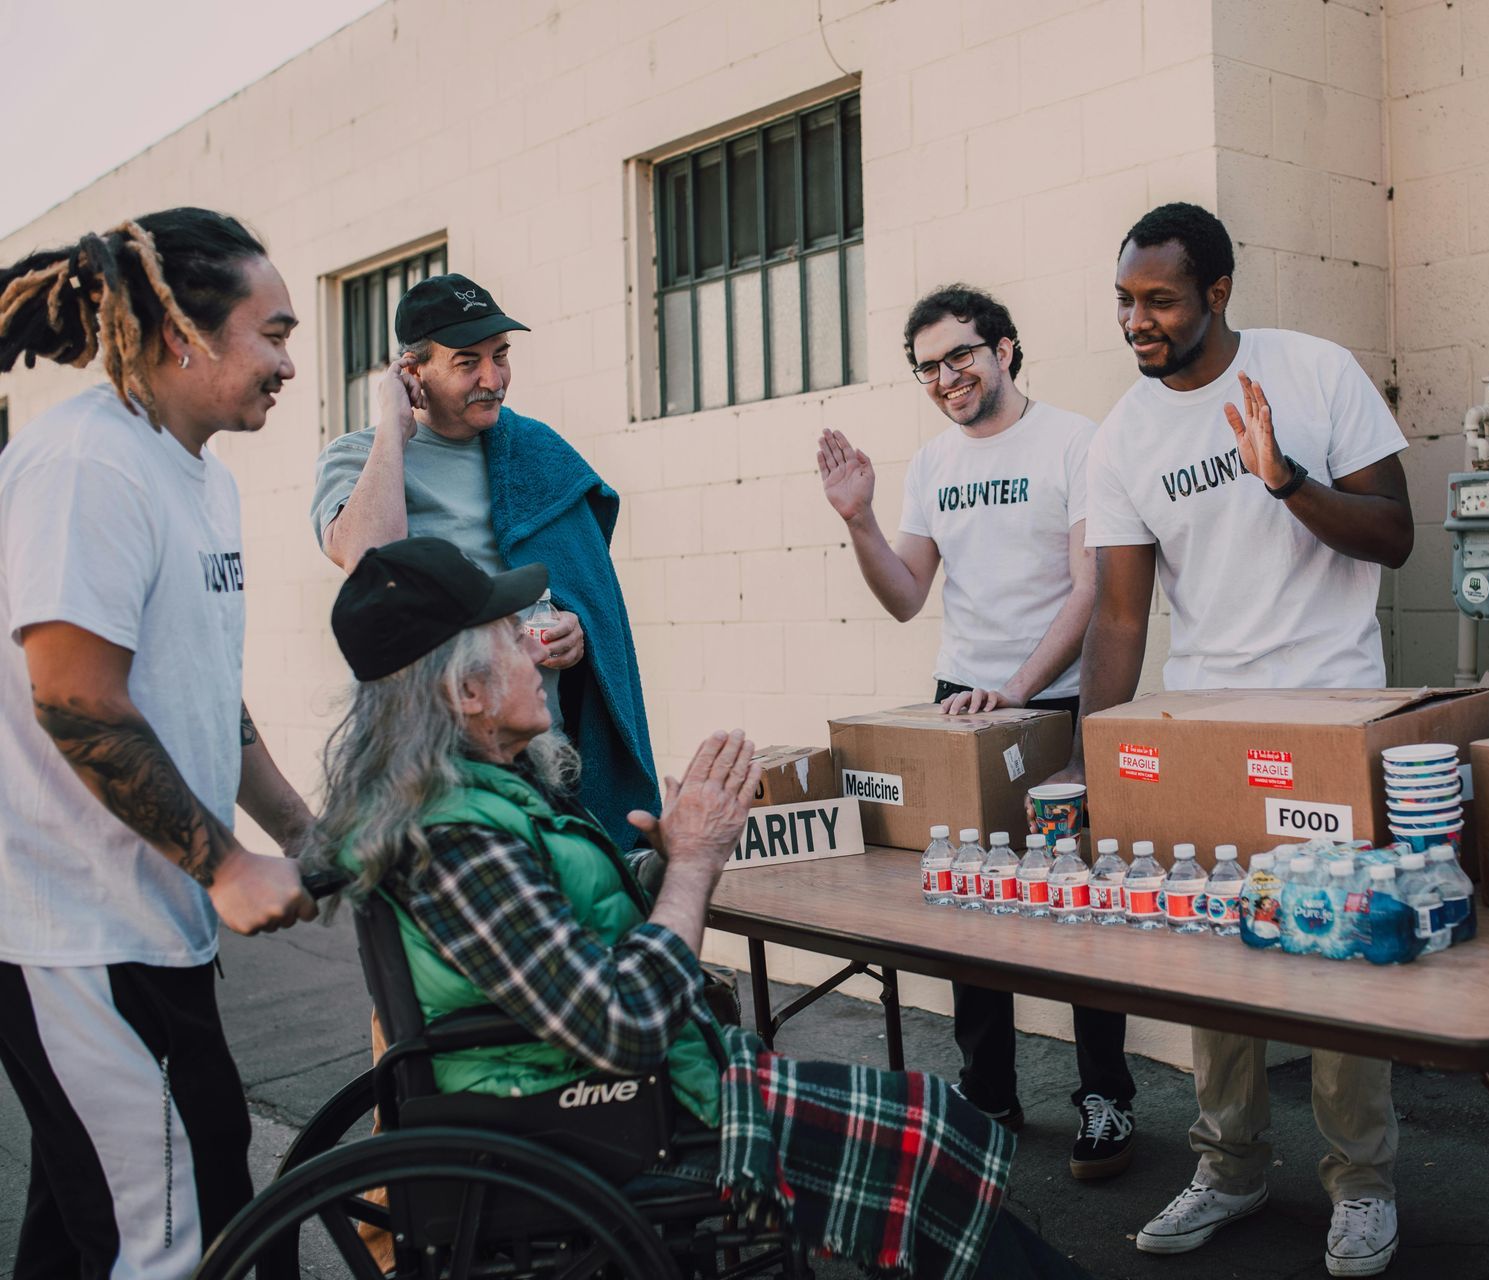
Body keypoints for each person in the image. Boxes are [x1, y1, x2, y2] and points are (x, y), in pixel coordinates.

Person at [303, 535, 1088, 1279]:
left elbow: (574, 923)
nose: (538, 645)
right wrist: (696, 866)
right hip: (596, 1123)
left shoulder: (481, 800)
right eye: (513, 635)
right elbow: (621, 1024)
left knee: (929, 1124)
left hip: (609, 1096)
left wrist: (670, 853)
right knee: (917, 1139)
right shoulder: (456, 841)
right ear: (465, 691)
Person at [1044, 202, 1415, 1274]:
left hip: (1331, 712)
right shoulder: (1124, 435)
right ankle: (1231, 1166)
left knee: (1339, 962)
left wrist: (1283, 477)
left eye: (1159, 299)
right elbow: (1119, 617)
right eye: (1124, 300)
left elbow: (1392, 533)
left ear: (1217, 292)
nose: (1137, 321)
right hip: (1204, 722)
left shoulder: (1315, 372)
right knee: (1220, 960)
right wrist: (1092, 758)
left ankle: (1363, 1185)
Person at [0, 208, 317, 1280]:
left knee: (98, 1213)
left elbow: (204, 699)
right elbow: (76, 699)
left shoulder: (205, 481)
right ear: (183, 333)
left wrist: (300, 831)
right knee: (177, 1238)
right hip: (76, 933)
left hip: (154, 922)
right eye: (271, 333)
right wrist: (225, 861)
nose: (288, 362)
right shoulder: (87, 465)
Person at [815, 285, 1136, 1179]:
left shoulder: (1076, 439)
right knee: (970, 903)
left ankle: (1105, 1096)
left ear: (1002, 348)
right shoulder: (930, 464)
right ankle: (989, 1092)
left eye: (960, 354)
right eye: (927, 366)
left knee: (1077, 908)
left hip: (1055, 705)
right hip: (963, 704)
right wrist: (861, 520)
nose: (946, 376)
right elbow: (908, 594)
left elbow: (1091, 589)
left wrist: (1016, 692)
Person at [310, 273, 660, 836]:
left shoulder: (536, 451)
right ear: (413, 370)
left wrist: (578, 630)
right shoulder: (360, 457)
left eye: (501, 356)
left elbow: (583, 589)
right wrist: (393, 429)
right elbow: (369, 559)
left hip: (545, 752)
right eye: (467, 362)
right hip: (431, 760)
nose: (492, 379)